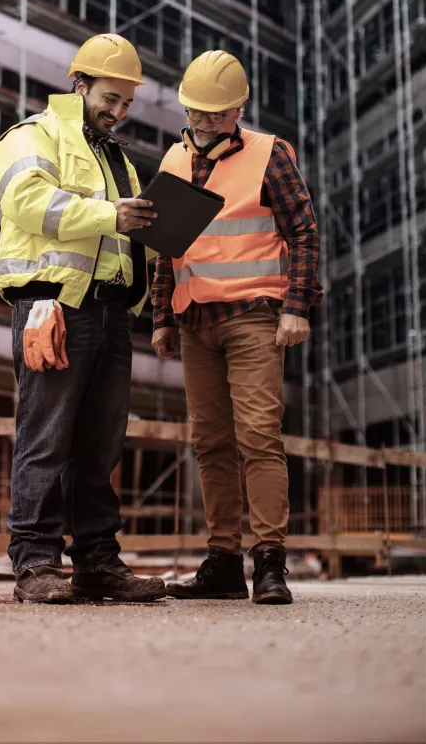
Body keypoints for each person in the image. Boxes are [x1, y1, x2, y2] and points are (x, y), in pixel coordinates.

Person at [0, 33, 168, 605]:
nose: (116, 111)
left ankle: (97, 563)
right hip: (53, 306)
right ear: (80, 83)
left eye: (125, 103)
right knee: (46, 439)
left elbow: (126, 235)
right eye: (109, 98)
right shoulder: (33, 135)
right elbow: (24, 201)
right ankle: (36, 562)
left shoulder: (117, 160)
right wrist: (111, 214)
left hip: (113, 314)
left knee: (98, 447)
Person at [151, 50, 323, 605]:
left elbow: (304, 231)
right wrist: (161, 319)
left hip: (253, 318)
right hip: (196, 321)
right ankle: (222, 561)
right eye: (196, 111)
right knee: (210, 444)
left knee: (258, 439)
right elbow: (165, 248)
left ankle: (270, 562)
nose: (204, 123)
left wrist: (297, 307)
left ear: (238, 109)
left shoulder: (269, 156)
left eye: (216, 114)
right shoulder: (173, 161)